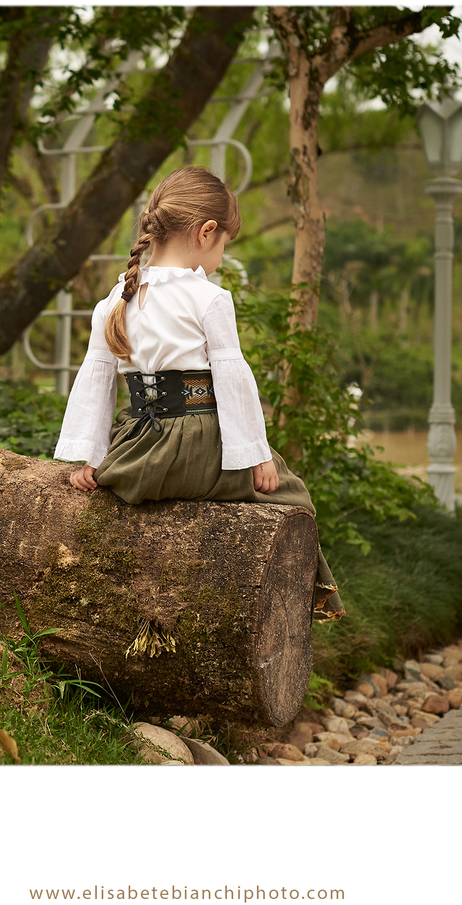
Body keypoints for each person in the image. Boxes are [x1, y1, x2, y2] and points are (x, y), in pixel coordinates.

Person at [54, 166, 344, 620]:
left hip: (136, 456)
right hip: (196, 449)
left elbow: (95, 379)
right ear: (206, 232)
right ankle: (304, 606)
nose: (221, 258)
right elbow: (232, 379)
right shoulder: (208, 297)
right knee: (292, 495)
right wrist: (257, 457)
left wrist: (90, 458)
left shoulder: (114, 300)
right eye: (224, 244)